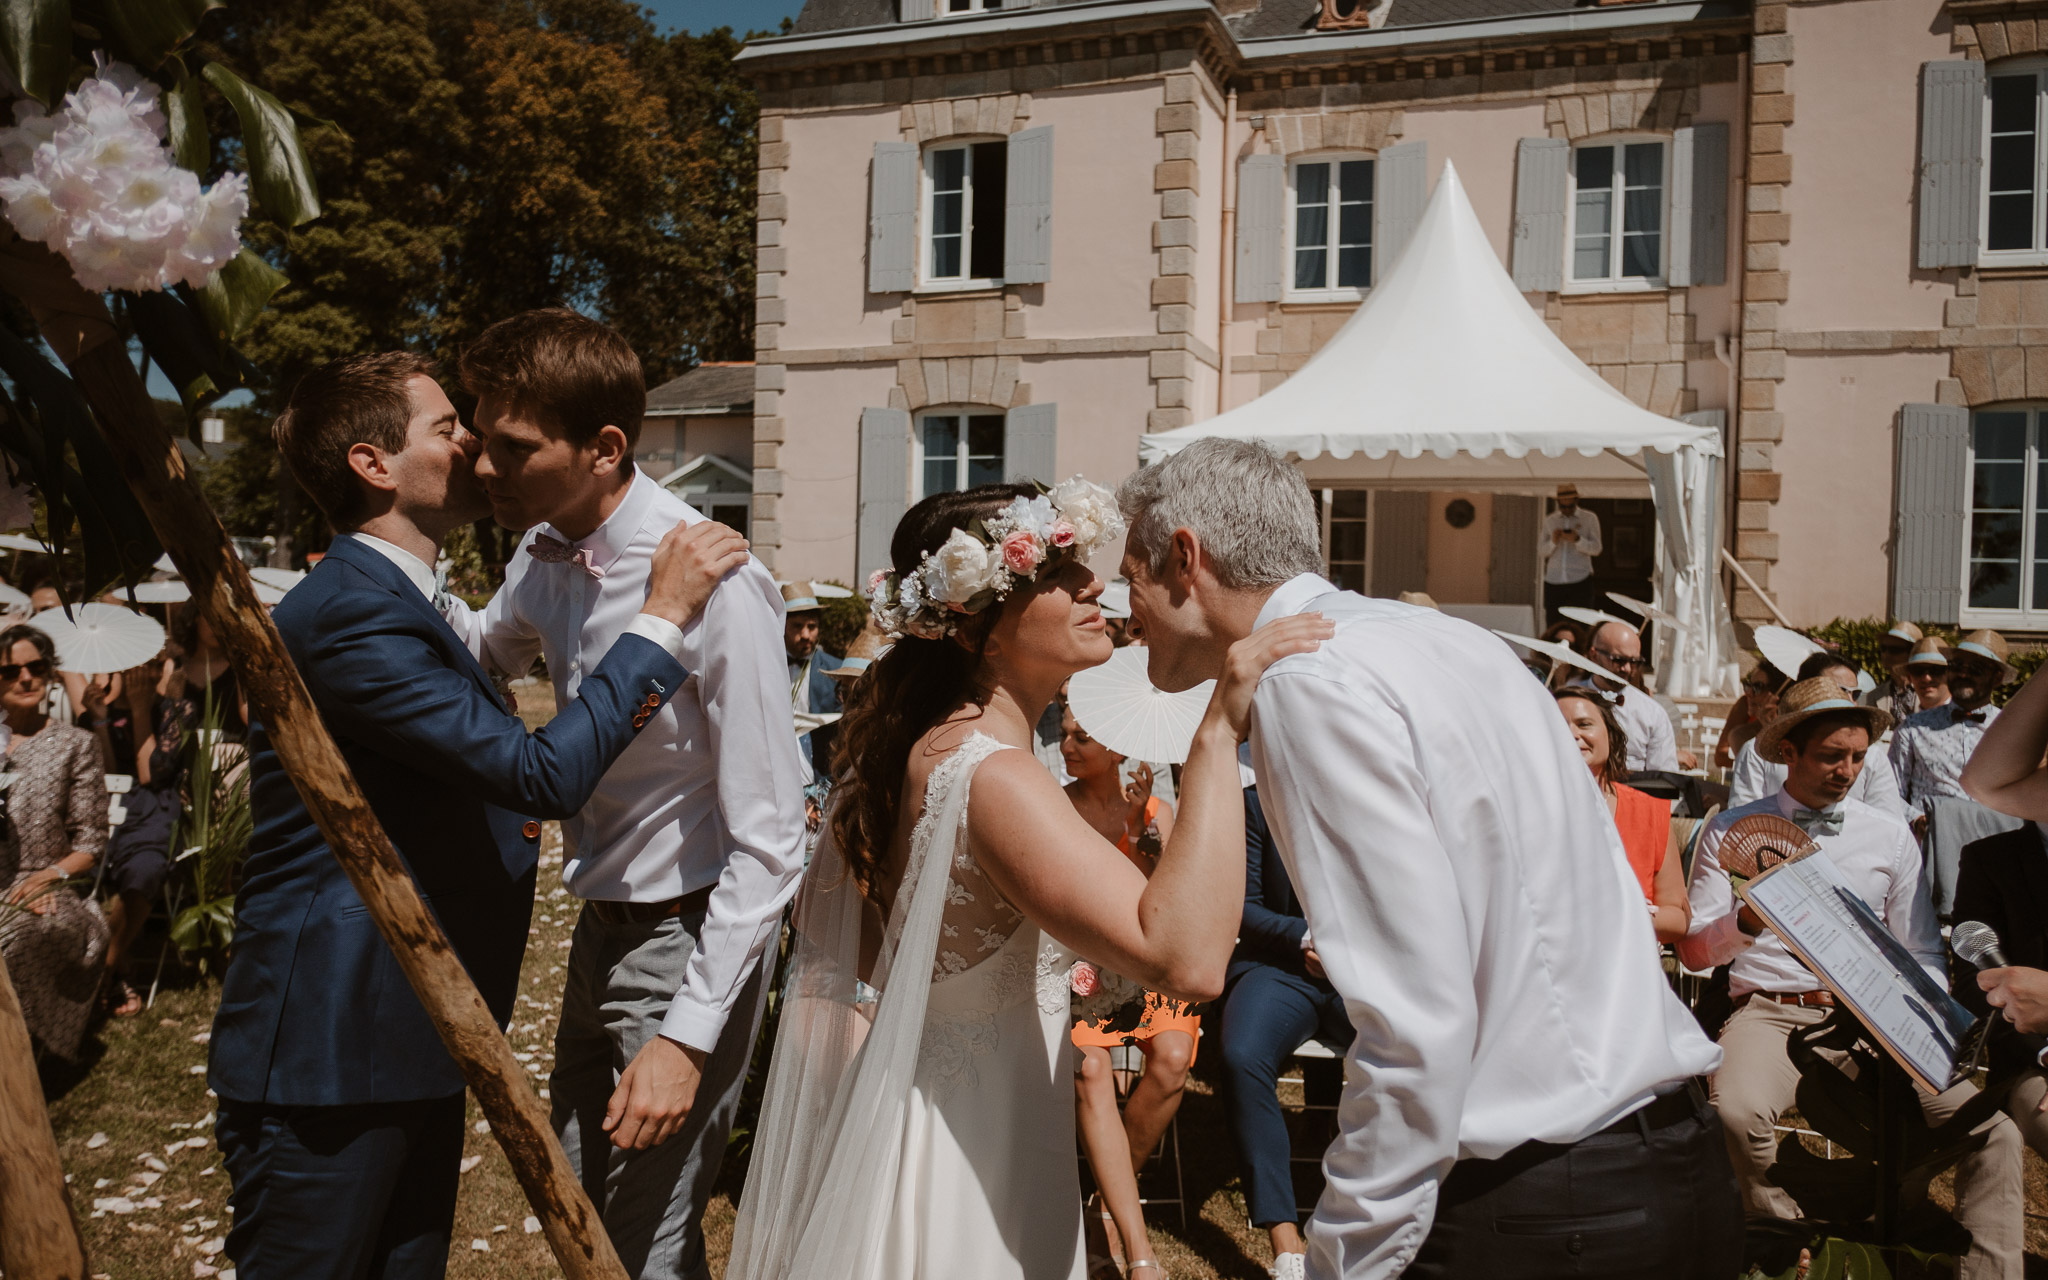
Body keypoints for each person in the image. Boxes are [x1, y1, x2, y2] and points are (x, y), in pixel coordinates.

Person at [1114, 439, 1734, 1280]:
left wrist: (1345, 1259)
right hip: (1678, 1159)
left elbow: (1414, 1024)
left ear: (1186, 558)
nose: (1125, 605)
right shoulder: (1458, 641)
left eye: (1132, 574)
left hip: (1541, 1203)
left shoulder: (1308, 680)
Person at [208, 351, 747, 1280]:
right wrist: (659, 617)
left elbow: (493, 651)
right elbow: (539, 776)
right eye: (447, 427)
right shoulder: (350, 614)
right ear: (375, 465)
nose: (474, 445)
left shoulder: (404, 602)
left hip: (412, 1030)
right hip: (336, 1043)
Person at [725, 479, 1331, 1279]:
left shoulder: (950, 750)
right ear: (981, 628)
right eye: (1056, 574)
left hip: (976, 1114)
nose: (1092, 586)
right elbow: (1186, 961)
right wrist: (1217, 730)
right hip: (970, 1148)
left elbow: (902, 959)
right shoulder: (992, 775)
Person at [447, 310, 807, 1280]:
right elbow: (481, 651)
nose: (484, 467)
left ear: (604, 447)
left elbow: (772, 840)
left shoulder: (716, 580)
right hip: (596, 927)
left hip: (689, 933)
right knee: (579, 1207)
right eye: (479, 441)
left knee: (641, 1241)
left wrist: (688, 1036)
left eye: (512, 448)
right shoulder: (539, 550)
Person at [1680, 679, 2024, 1279]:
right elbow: (1693, 954)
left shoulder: (1888, 834)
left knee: (1995, 1136)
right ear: (1788, 752)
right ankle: (1788, 1247)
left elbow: (1920, 950)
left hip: (1879, 1013)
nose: (1848, 770)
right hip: (1770, 1007)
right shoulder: (1730, 829)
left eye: (1859, 756)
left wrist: (1930, 1023)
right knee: (1735, 1113)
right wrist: (1744, 922)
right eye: (1831, 756)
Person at [1061, 707, 1191, 1280]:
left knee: (1173, 1058)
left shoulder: (1160, 812)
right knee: (1092, 1066)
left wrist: (1139, 831)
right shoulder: (1055, 811)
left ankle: (1104, 1200)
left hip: (1144, 969)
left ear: (1117, 750)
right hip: (1082, 968)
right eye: (1064, 734)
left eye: (1081, 737)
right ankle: (1122, 1221)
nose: (1066, 745)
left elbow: (1167, 906)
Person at [1217, 781, 1350, 1280]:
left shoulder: (1374, 791)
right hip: (1279, 965)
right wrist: (1304, 938)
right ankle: (1285, 1239)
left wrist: (1347, 948)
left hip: (1361, 970)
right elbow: (1243, 906)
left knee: (1412, 1051)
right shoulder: (1253, 802)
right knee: (1241, 1054)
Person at [0, 623, 109, 1060]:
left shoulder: (75, 745)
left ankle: (19, 1063)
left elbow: (92, 842)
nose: (25, 678)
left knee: (12, 939)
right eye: (10, 671)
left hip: (51, 887)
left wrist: (50, 876)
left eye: (36, 667)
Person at [1894, 630, 2025, 917]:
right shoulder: (1913, 728)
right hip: (1928, 855)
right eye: (1957, 667)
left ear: (1997, 677)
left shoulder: (2012, 731)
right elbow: (1889, 795)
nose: (1964, 674)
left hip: (1992, 857)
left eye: (1975, 669)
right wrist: (1916, 820)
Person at [1553, 687, 1688, 943]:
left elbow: (1678, 917)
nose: (1571, 734)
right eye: (1558, 725)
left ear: (1610, 736)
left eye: (1584, 724)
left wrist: (1631, 915)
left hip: (1629, 964)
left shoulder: (1648, 813)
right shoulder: (1529, 809)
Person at [1728, 652, 1908, 819]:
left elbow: (1887, 825)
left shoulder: (1873, 757)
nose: (1850, 701)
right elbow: (1742, 821)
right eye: (1841, 690)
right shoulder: (1755, 752)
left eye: (1856, 693)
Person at [1568, 619, 1684, 772]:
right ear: (1594, 655)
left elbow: (1663, 776)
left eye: (1634, 661)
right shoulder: (1568, 701)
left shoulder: (1652, 713)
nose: (1627, 669)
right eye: (1619, 660)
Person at [782, 580, 844, 784]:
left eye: (812, 627)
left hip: (820, 773)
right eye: (797, 626)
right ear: (782, 626)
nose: (806, 635)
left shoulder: (837, 670)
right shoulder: (766, 666)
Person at [1541, 481, 1602, 623]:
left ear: (1576, 500)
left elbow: (1597, 548)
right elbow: (1541, 551)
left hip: (1580, 579)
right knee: (1553, 624)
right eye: (1562, 506)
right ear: (1558, 503)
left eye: (1570, 506)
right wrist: (1553, 542)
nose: (1566, 510)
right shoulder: (1550, 520)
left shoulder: (1589, 518)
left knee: (1580, 624)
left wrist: (1577, 539)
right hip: (1554, 580)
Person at [1862, 620, 1923, 720]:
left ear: (1912, 654)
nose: (1886, 655)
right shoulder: (1874, 695)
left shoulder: (1928, 690)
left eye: (1895, 650)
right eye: (1883, 649)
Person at [1905, 636, 1950, 713]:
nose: (1926, 678)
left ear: (1950, 674)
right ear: (1909, 677)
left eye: (1936, 670)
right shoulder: (1908, 724)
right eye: (1918, 671)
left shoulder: (1970, 720)